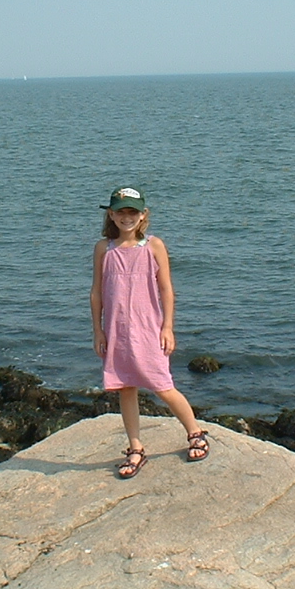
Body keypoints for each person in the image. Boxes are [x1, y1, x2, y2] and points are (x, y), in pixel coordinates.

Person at [91, 186, 208, 478]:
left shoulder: (154, 246)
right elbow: (96, 293)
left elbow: (166, 289)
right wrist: (98, 331)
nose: (126, 217)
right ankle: (135, 447)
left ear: (143, 215)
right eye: (121, 212)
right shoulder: (104, 249)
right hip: (116, 329)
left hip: (148, 329)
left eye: (133, 212)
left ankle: (194, 432)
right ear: (111, 214)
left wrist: (168, 327)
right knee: (125, 386)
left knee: (161, 384)